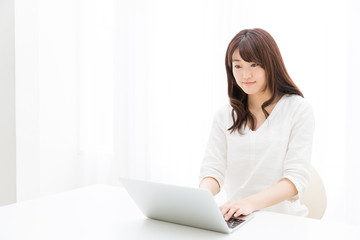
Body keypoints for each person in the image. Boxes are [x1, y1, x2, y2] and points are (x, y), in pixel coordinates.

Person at [199, 28, 315, 221]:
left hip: (284, 223)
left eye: (254, 65)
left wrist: (248, 203)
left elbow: (296, 179)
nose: (245, 75)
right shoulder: (224, 116)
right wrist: (202, 196)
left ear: (271, 64)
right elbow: (213, 170)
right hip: (238, 220)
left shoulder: (298, 109)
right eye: (238, 66)